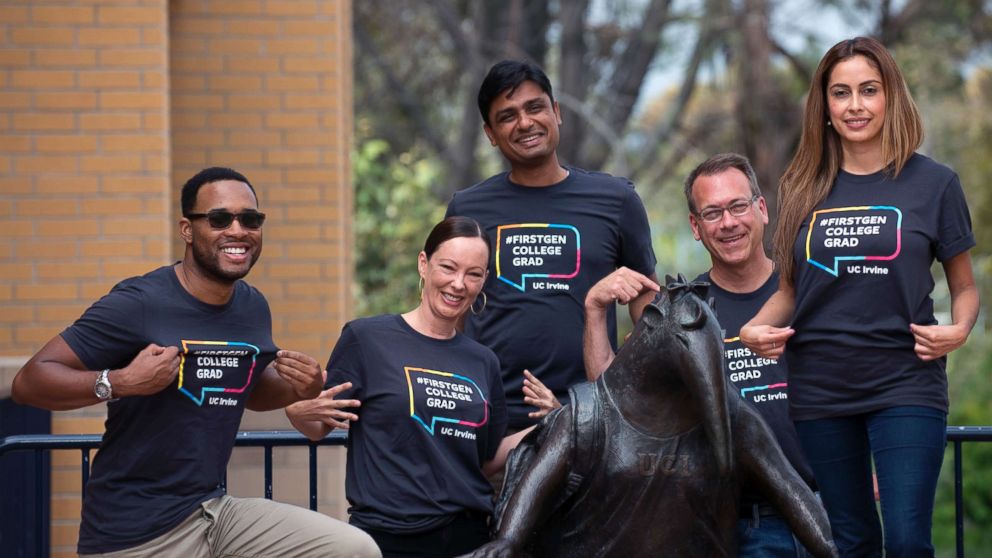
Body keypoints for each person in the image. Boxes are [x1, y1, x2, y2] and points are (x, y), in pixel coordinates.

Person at [11, 167, 380, 558]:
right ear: (188, 229)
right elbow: (29, 382)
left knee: (352, 549)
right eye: (220, 219)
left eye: (250, 219)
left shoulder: (252, 306)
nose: (238, 230)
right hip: (133, 532)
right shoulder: (139, 302)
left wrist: (299, 386)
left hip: (213, 514)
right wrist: (120, 381)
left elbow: (249, 391)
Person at [740, 37, 979, 558]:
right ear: (823, 105)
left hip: (905, 381)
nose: (855, 106)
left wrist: (958, 331)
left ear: (890, 97)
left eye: (868, 91)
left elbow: (963, 286)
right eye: (841, 93)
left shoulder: (934, 184)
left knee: (909, 541)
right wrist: (756, 327)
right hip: (820, 389)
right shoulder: (802, 186)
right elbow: (789, 289)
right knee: (851, 543)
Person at [582, 153, 819, 557]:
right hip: (725, 526)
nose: (728, 223)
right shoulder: (682, 312)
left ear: (761, 209)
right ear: (695, 226)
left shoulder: (809, 291)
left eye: (738, 206)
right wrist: (594, 308)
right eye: (712, 213)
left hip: (821, 507)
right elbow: (613, 404)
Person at [286, 217, 555, 558]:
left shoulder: (483, 361)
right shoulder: (366, 339)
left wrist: (553, 422)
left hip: (469, 538)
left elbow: (485, 461)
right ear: (424, 264)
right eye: (448, 267)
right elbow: (318, 426)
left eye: (473, 273)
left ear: (484, 280)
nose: (459, 284)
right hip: (388, 538)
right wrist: (296, 409)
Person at [445, 59, 658, 431]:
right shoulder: (468, 208)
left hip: (592, 416)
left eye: (535, 107)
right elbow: (452, 311)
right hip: (493, 416)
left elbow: (648, 304)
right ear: (491, 133)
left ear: (556, 112)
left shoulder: (616, 199)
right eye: (507, 116)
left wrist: (640, 384)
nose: (525, 122)